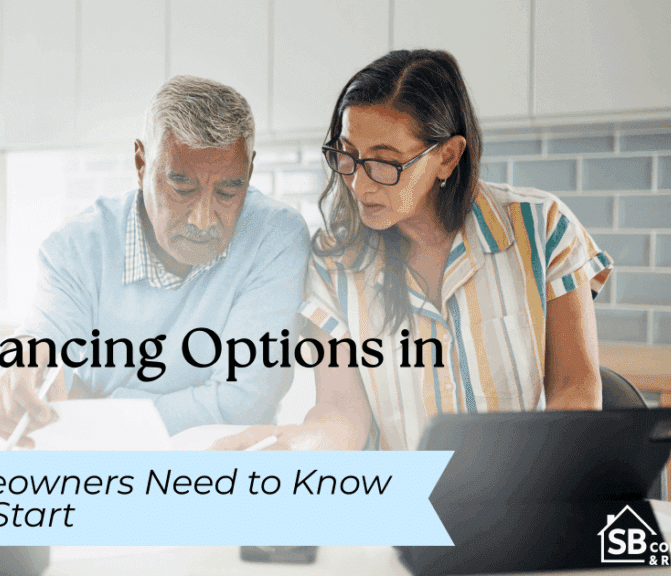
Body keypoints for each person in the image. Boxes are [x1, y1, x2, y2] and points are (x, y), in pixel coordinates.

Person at [215, 49, 611, 452]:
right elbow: (341, 411)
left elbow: (574, 387)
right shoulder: (334, 263)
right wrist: (296, 444)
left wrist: (535, 473)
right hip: (399, 488)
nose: (359, 185)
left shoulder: (541, 228)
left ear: (447, 157)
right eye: (347, 155)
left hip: (523, 484)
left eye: (385, 163)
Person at [0, 75, 310, 447]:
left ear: (250, 173)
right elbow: (42, 343)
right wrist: (24, 365)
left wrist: (93, 410)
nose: (203, 220)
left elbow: (242, 403)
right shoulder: (76, 247)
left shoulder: (275, 236)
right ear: (141, 163)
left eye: (227, 191)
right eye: (182, 188)